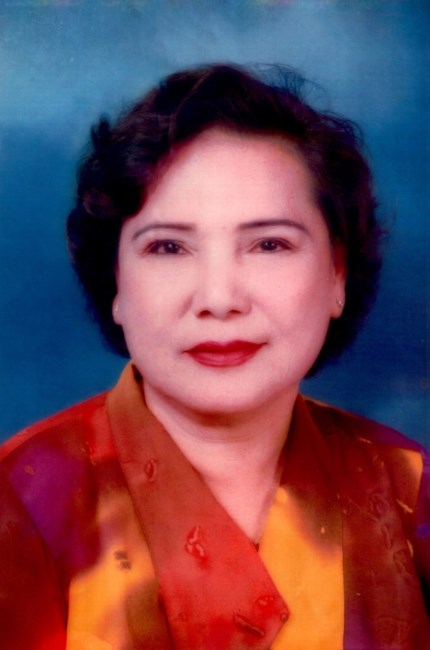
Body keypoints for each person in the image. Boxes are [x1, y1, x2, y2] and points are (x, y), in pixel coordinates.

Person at [0, 63, 428, 650]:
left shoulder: (409, 486)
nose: (220, 299)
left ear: (337, 275)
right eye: (168, 247)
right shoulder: (20, 502)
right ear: (115, 282)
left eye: (269, 244)